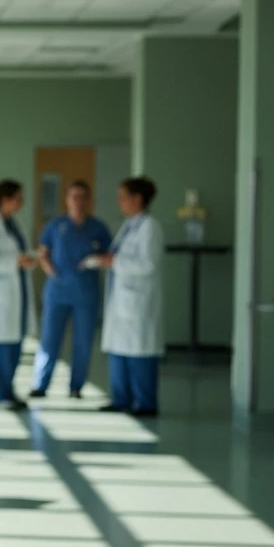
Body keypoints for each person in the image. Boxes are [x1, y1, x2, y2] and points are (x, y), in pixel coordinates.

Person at [29, 181, 112, 399]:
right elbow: (43, 252)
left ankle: (76, 386)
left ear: (88, 200)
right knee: (49, 340)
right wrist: (51, 271)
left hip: (86, 292)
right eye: (73, 196)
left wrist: (95, 261)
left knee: (83, 341)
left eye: (82, 196)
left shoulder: (98, 228)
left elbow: (109, 257)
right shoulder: (55, 225)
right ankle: (41, 384)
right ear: (66, 200)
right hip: (57, 292)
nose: (78, 201)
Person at [99, 176, 164, 417]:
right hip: (123, 301)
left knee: (139, 355)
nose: (120, 202)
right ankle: (121, 399)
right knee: (119, 351)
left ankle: (145, 404)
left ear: (138, 199)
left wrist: (115, 261)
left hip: (138, 303)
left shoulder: (150, 227)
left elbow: (148, 264)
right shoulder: (130, 225)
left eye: (123, 197)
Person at [0, 179, 37, 410]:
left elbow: (20, 251)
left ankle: (8, 392)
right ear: (5, 199)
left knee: (15, 345)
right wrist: (14, 261)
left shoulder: (13, 224)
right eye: (18, 198)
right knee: (1, 347)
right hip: (0, 296)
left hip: (16, 292)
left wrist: (30, 257)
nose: (21, 203)